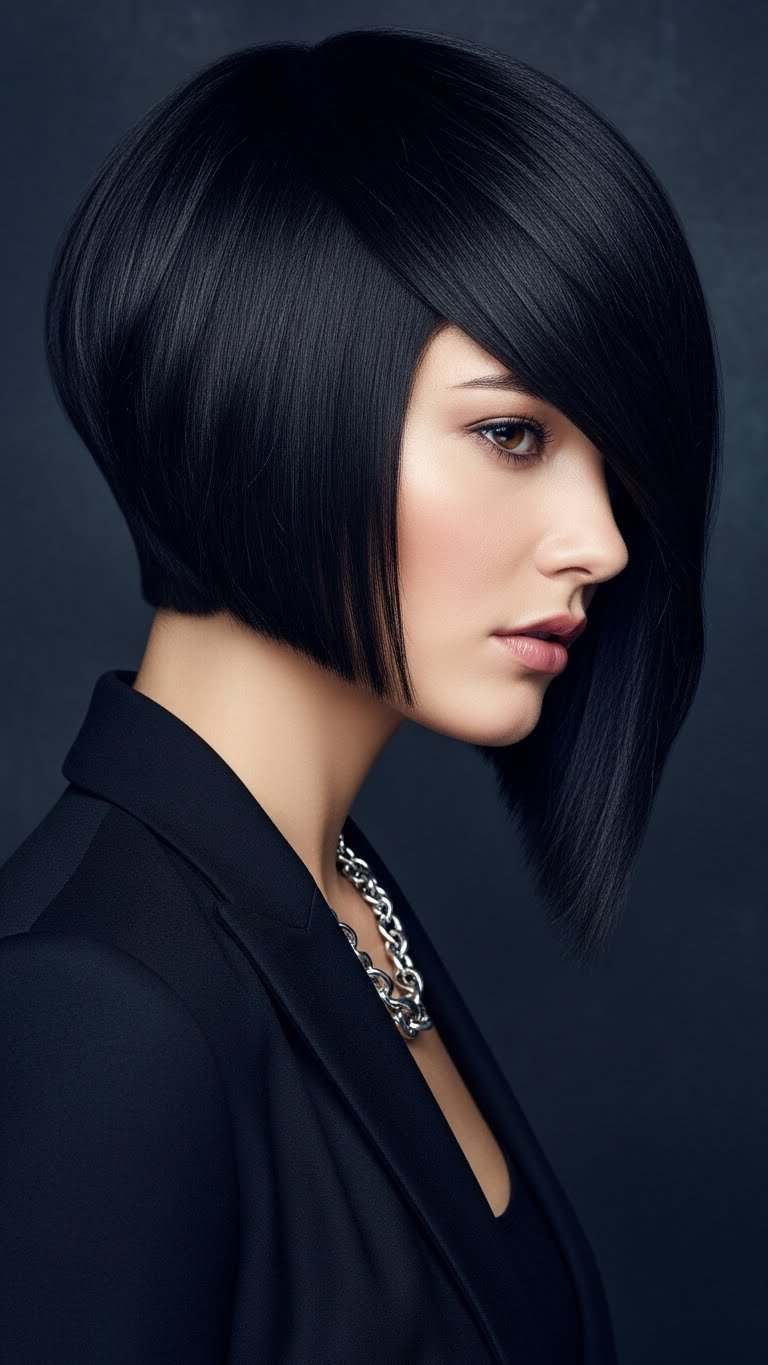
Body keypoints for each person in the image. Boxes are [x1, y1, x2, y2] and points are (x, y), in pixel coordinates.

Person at [0, 25, 721, 1365]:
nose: (606, 545)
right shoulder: (94, 1016)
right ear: (272, 395)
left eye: (612, 466)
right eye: (514, 433)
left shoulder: (331, 892)